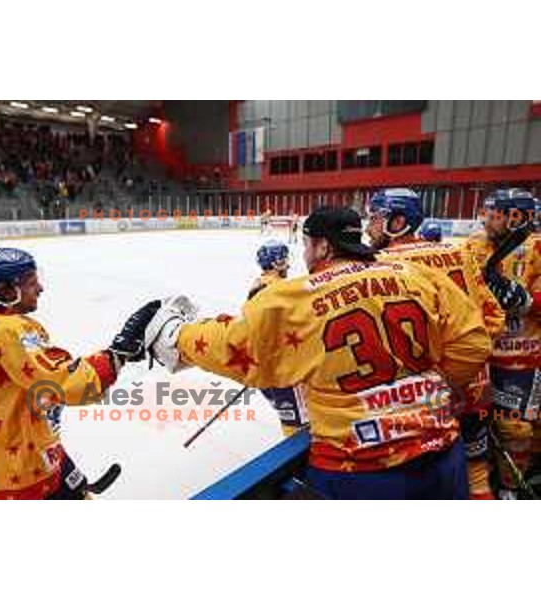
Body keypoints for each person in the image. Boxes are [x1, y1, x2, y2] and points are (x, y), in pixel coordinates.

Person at [138, 207, 492, 499]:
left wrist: (178, 335)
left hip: (356, 468)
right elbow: (473, 342)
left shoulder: (295, 297)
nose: (303, 254)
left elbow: (237, 346)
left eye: (306, 245)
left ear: (323, 247)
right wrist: (433, 389)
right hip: (443, 453)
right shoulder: (416, 274)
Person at [0, 247, 158, 499]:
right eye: (31, 283)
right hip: (20, 479)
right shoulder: (10, 332)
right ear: (6, 291)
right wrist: (118, 353)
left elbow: (17, 390)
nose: (40, 287)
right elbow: (62, 382)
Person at [366, 188, 505, 499]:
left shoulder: (376, 264)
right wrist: (464, 369)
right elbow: (493, 318)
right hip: (473, 387)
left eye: (375, 218)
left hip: (417, 399)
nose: (369, 226)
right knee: (476, 473)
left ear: (397, 222)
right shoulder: (460, 254)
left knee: (420, 482)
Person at [464, 188, 541, 499]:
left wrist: (525, 301)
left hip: (523, 359)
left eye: (494, 216)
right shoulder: (472, 246)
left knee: (516, 429)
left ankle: (510, 486)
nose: (486, 221)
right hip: (481, 358)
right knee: (481, 423)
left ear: (517, 218)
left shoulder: (537, 248)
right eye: (486, 214)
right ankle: (488, 479)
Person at [248, 240, 308, 437]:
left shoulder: (259, 285)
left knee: (291, 419)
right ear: (275, 263)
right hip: (286, 370)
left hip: (268, 369)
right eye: (283, 260)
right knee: (301, 427)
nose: (288, 264)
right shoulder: (278, 289)